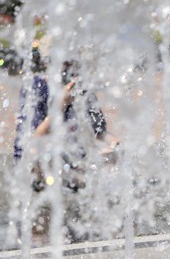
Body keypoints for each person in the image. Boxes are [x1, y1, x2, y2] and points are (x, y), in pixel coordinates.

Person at [14, 58, 119, 192]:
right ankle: (43, 187)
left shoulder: (81, 87)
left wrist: (116, 146)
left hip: (71, 160)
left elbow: (100, 133)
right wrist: (61, 104)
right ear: (47, 62)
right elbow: (35, 138)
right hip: (38, 160)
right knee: (39, 154)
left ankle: (84, 185)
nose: (67, 67)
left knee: (111, 157)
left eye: (70, 62)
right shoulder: (36, 86)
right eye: (62, 62)